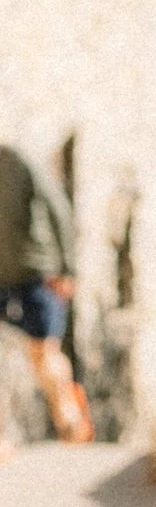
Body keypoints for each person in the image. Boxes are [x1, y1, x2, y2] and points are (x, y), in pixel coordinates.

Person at [0, 143, 93, 445]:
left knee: (43, 353)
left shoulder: (18, 160)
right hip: (7, 277)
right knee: (39, 353)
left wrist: (66, 268)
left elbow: (57, 208)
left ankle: (69, 416)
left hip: (36, 273)